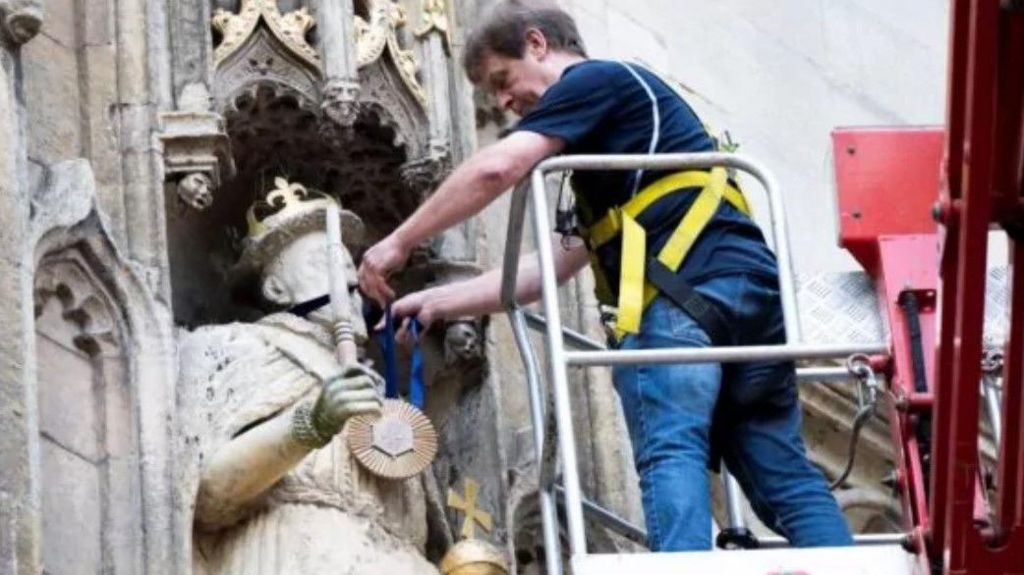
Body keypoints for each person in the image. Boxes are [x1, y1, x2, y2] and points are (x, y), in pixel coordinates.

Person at [357, 0, 852, 552]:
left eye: (502, 79)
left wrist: (398, 242)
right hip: (749, 299)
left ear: (539, 44)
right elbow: (542, 272)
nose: (502, 102)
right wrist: (435, 303)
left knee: (671, 447)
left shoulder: (594, 80)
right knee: (782, 476)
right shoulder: (623, 147)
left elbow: (498, 166)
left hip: (680, 298)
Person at [178, 178, 438, 573]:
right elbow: (208, 497)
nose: (351, 282)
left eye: (351, 267)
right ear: (277, 289)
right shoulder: (238, 347)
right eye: (325, 266)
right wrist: (312, 423)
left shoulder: (385, 395)